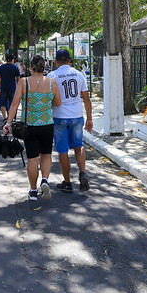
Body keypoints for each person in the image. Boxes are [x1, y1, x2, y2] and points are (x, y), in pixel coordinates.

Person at [3, 55, 61, 201]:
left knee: (33, 159)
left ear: (30, 68)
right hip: (47, 124)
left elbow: (15, 104)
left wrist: (8, 123)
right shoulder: (52, 83)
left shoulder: (24, 82)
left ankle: (33, 191)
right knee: (46, 154)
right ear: (44, 68)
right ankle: (45, 180)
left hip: (30, 126)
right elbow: (58, 103)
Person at [48, 49, 93, 193]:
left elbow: (48, 98)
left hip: (60, 116)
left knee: (63, 150)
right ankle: (82, 172)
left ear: (56, 61)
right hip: (77, 115)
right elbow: (86, 98)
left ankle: (67, 182)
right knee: (79, 145)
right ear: (69, 60)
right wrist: (89, 118)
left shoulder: (52, 76)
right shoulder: (79, 74)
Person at [0, 53, 20, 121]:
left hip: (3, 87)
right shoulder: (15, 67)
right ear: (13, 60)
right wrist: (19, 87)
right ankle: (11, 116)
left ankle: (5, 117)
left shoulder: (2, 67)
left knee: (2, 103)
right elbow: (18, 79)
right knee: (13, 103)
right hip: (12, 87)